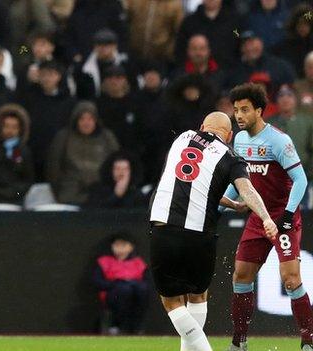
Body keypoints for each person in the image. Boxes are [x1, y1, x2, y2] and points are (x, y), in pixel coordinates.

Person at [149, 112, 277, 351]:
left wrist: (232, 204)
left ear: (201, 127)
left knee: (171, 301)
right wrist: (266, 217)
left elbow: (191, 181)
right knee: (198, 294)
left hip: (165, 229)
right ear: (229, 136)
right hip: (200, 238)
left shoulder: (182, 138)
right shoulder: (231, 156)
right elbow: (246, 190)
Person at [223, 83, 313, 351]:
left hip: (283, 219)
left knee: (291, 279)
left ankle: (309, 341)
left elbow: (301, 180)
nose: (238, 115)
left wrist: (286, 216)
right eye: (236, 110)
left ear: (259, 111)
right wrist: (222, 202)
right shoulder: (239, 140)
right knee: (240, 277)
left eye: (245, 110)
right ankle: (239, 342)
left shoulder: (278, 140)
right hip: (257, 218)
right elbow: (239, 181)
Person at [46, 101, 119, 205]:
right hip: (70, 191)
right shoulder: (63, 137)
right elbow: (53, 167)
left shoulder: (107, 137)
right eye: (82, 119)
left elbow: (117, 162)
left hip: (100, 190)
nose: (86, 123)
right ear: (76, 120)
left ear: (96, 120)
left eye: (90, 119)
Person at [94, 233, 149, 335]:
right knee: (124, 290)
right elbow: (98, 282)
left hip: (135, 297)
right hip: (113, 296)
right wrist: (117, 284)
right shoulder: (104, 261)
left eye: (123, 245)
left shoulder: (139, 263)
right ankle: (117, 325)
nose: (120, 249)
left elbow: (146, 282)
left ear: (131, 247)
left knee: (141, 289)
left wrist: (131, 284)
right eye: (117, 245)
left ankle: (136, 327)